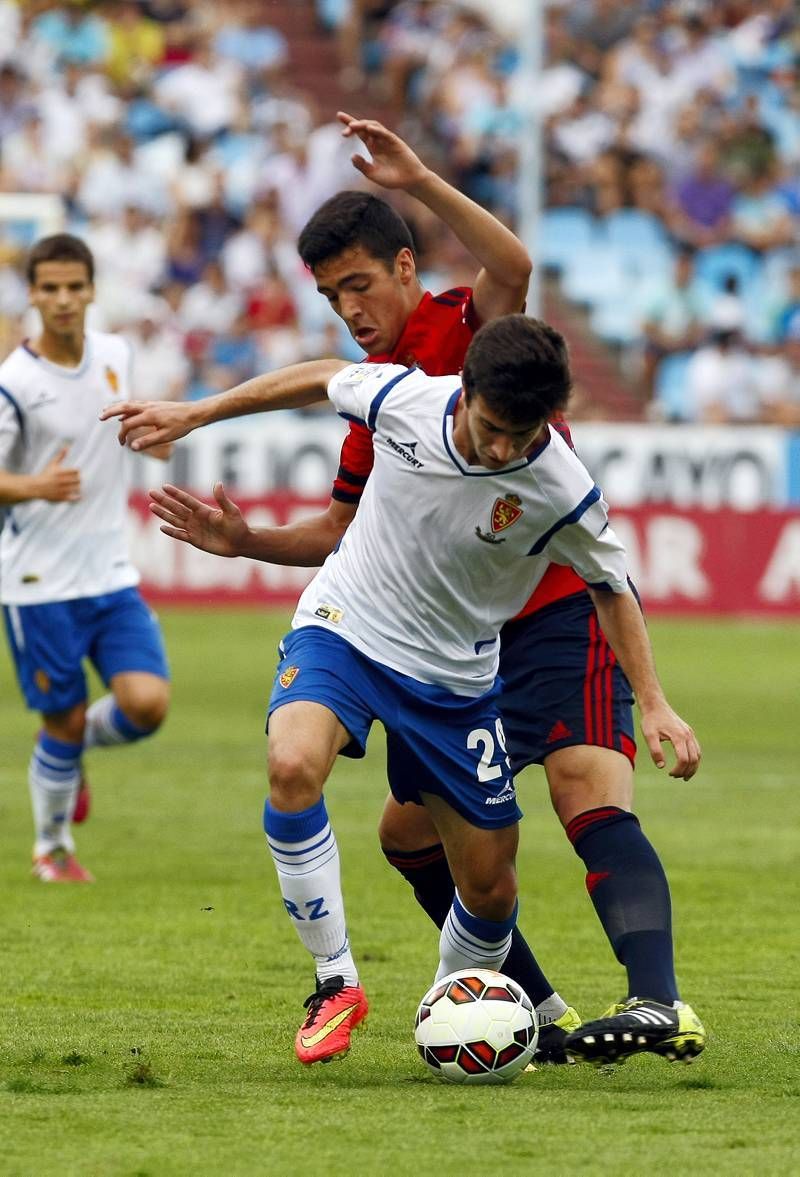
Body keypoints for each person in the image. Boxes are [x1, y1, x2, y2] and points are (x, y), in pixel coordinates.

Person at [103, 113, 706, 1069]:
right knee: (381, 820)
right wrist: (243, 537)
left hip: (537, 612)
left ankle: (656, 999)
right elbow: (340, 523)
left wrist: (420, 178)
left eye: (358, 283)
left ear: (403, 268)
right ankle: (494, 1002)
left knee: (581, 791)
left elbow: (511, 262)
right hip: (387, 624)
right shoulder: (391, 397)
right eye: (330, 292)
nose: (347, 305)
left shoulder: (468, 338)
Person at [0, 233, 172, 883]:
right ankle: (51, 849)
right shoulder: (15, 384)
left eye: (75, 286)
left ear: (93, 289)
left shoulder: (115, 355)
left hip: (109, 571)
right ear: (33, 294)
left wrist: (155, 435)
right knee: (62, 715)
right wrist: (35, 486)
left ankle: (70, 755)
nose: (64, 299)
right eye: (50, 288)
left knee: (148, 703)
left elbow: (126, 425)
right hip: (38, 580)